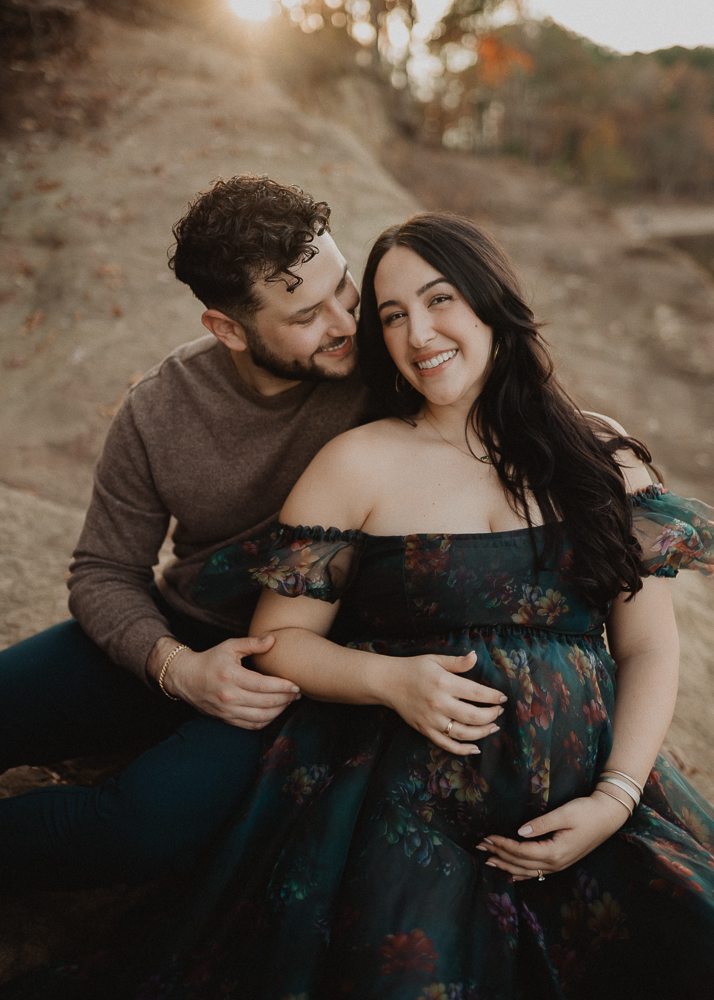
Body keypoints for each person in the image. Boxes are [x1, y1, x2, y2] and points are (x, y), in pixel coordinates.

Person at [5, 214, 714, 1000]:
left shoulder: (591, 452)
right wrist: (190, 668)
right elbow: (121, 575)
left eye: (355, 297)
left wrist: (616, 798)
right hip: (254, 681)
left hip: (576, 787)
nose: (374, 331)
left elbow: (648, 643)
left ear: (491, 302)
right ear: (228, 329)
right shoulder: (304, 443)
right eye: (384, 315)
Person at [0, 173, 418, 893]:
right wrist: (175, 667)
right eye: (307, 314)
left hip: (296, 673)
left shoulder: (388, 373)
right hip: (179, 631)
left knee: (144, 828)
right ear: (227, 328)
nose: (347, 323)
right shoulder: (160, 409)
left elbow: (505, 398)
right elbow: (103, 571)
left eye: (344, 287)